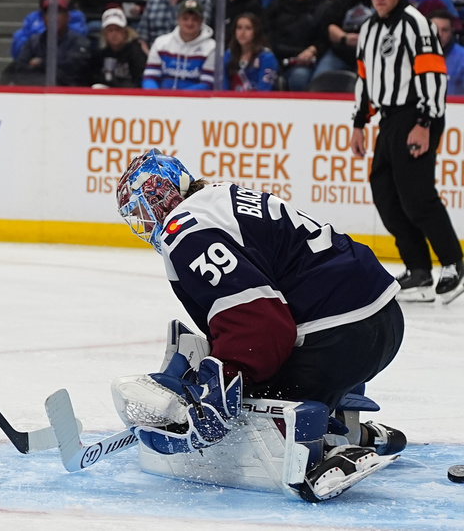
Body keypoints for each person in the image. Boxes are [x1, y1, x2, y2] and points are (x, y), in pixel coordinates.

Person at [112, 148, 405, 501]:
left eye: (145, 212)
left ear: (165, 196)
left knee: (248, 400)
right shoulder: (220, 197)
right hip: (381, 319)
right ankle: (352, 428)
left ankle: (322, 448)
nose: (146, 225)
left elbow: (262, 328)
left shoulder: (183, 228)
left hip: (338, 336)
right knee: (251, 371)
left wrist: (223, 380)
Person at [350, 0, 464, 305]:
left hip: (417, 113)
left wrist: (426, 122)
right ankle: (417, 269)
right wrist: (359, 122)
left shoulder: (416, 24)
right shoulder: (369, 28)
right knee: (384, 192)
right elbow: (365, 78)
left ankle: (453, 263)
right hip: (389, 117)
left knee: (416, 195)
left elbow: (433, 74)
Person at [0, 0, 91, 86]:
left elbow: (70, 69)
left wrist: (40, 63)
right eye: (49, 13)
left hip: (68, 94)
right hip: (36, 90)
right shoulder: (34, 41)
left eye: (58, 12)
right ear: (43, 19)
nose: (53, 17)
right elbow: (20, 67)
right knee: (11, 68)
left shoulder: (79, 41)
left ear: (67, 17)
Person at [263, 0, 325, 90]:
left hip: (305, 61)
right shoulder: (277, 6)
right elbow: (266, 33)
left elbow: (324, 38)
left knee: (299, 77)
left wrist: (313, 50)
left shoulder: (321, 7)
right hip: (277, 57)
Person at [314, 0, 375, 77]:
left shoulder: (382, 1)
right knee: (320, 79)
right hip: (340, 53)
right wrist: (345, 37)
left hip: (373, 54)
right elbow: (329, 26)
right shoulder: (343, 0)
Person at [142, 0, 215, 90]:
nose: (189, 23)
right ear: (178, 19)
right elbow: (150, 77)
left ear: (201, 21)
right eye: (185, 18)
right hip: (162, 99)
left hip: (196, 101)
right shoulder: (161, 43)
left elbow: (207, 84)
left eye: (195, 19)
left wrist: (180, 98)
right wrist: (156, 96)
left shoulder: (211, 47)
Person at [88, 6, 145, 88]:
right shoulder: (99, 54)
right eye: (110, 30)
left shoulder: (136, 52)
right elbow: (93, 78)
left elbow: (139, 79)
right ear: (104, 33)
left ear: (125, 32)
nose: (114, 34)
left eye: (118, 29)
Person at [223, 12, 277, 91]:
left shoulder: (266, 57)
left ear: (256, 32)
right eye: (239, 28)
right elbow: (223, 89)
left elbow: (264, 92)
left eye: (248, 28)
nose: (242, 32)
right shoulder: (228, 55)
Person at [429, 8, 464, 95]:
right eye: (435, 29)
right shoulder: (413, 55)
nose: (439, 34)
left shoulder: (462, 58)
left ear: (452, 31)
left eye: (444, 30)